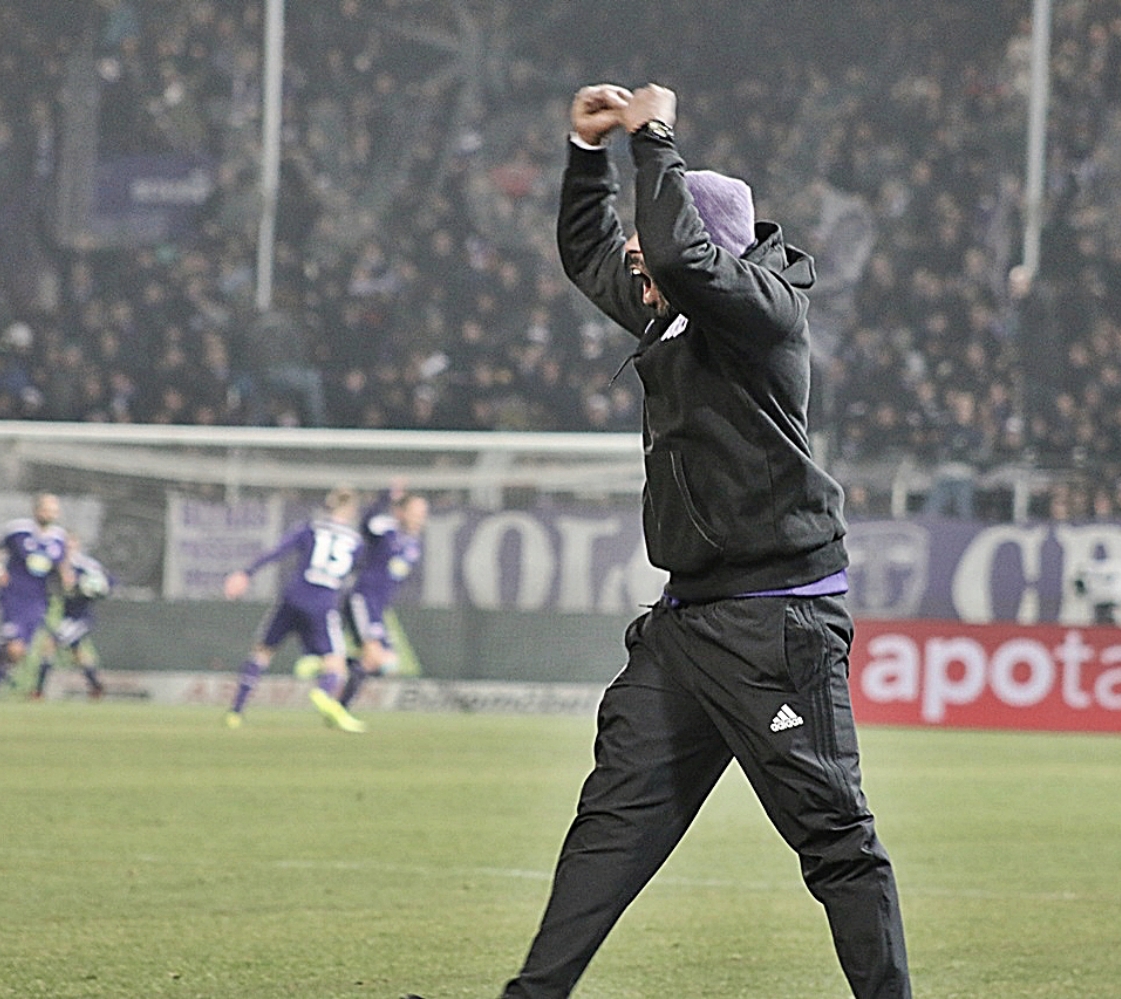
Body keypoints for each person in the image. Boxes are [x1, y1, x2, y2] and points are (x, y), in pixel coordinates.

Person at [490, 83, 912, 999]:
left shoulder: (762, 312)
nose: (636, 279)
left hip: (777, 624)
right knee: (611, 826)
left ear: (708, 250)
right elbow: (588, 251)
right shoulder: (673, 306)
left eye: (652, 262)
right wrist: (585, 149)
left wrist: (657, 139)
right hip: (690, 626)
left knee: (836, 841)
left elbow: (676, 251)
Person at [221, 486, 365, 732]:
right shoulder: (355, 542)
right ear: (351, 509)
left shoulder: (310, 528)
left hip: (293, 596)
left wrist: (246, 573)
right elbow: (353, 573)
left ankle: (235, 712)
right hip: (322, 601)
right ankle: (323, 692)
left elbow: (277, 551)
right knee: (336, 665)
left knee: (262, 653)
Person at [0, 493, 69, 714]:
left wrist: (66, 579)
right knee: (15, 650)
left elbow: (62, 566)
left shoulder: (59, 538)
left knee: (15, 652)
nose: (50, 514)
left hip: (38, 602)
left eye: (54, 510)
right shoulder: (18, 530)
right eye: (46, 509)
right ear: (36, 510)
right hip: (13, 597)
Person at [337, 481, 428, 710]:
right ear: (401, 512)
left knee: (384, 664)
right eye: (416, 512)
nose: (420, 518)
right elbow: (367, 522)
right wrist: (385, 496)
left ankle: (339, 705)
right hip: (362, 600)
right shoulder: (387, 530)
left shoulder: (413, 544)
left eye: (423, 513)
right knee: (378, 658)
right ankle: (327, 666)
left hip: (377, 607)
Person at [31, 533, 110, 701]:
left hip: (80, 618)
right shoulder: (56, 564)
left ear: (78, 546)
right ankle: (96, 686)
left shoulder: (86, 565)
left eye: (71, 546)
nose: (68, 550)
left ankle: (38, 692)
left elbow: (106, 585)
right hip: (66, 616)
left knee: (50, 644)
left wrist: (87, 587)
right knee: (79, 653)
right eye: (65, 546)